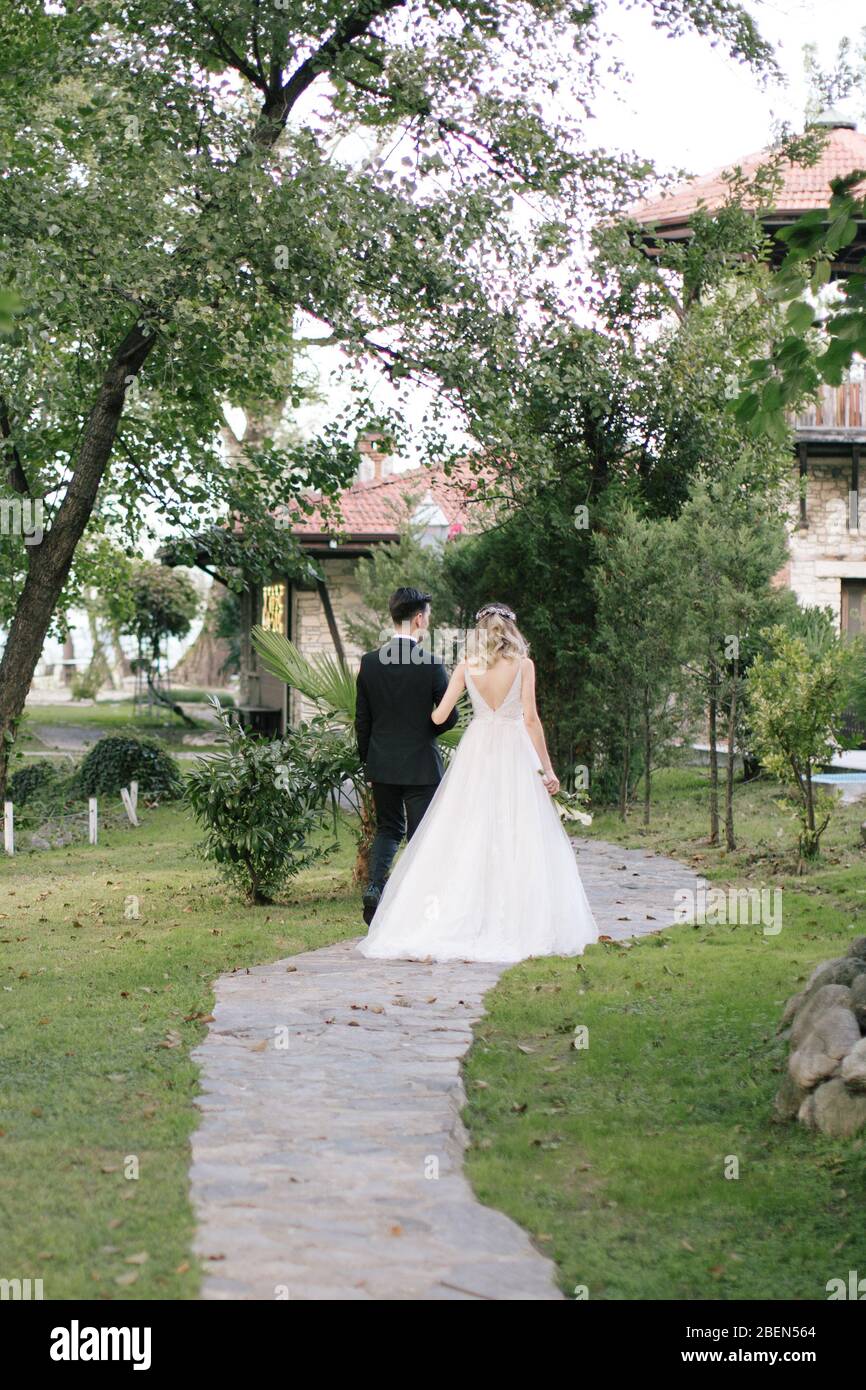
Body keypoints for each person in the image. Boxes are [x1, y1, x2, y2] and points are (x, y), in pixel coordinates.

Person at [357, 601, 598, 963]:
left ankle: (458, 915)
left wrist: (409, 714)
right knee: (519, 831)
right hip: (515, 751)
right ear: (511, 631)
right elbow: (531, 720)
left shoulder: (467, 666)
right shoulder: (524, 665)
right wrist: (548, 771)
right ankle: (517, 919)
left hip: (478, 752)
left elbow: (439, 714)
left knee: (471, 831)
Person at [355, 586, 458, 925]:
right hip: (420, 766)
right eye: (427, 616)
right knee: (421, 835)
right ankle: (418, 908)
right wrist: (427, 729)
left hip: (382, 763)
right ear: (417, 619)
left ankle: (374, 887)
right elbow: (450, 716)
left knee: (388, 830)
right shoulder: (430, 664)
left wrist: (368, 759)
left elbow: (363, 720)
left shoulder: (370, 663)